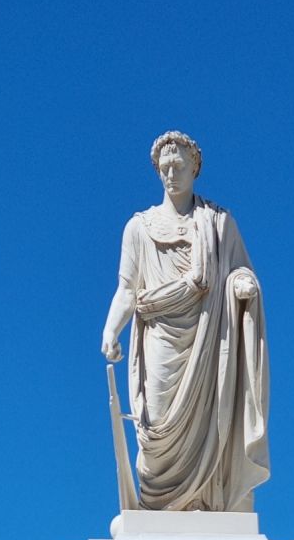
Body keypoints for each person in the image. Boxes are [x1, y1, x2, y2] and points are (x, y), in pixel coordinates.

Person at [101, 132, 269, 512]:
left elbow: (240, 269)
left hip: (210, 340)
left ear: (195, 167)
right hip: (160, 337)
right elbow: (127, 289)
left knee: (211, 423)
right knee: (156, 425)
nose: (171, 174)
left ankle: (205, 498)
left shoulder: (219, 223)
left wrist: (242, 283)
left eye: (178, 166)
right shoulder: (139, 228)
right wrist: (111, 329)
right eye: (164, 168)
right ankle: (160, 506)